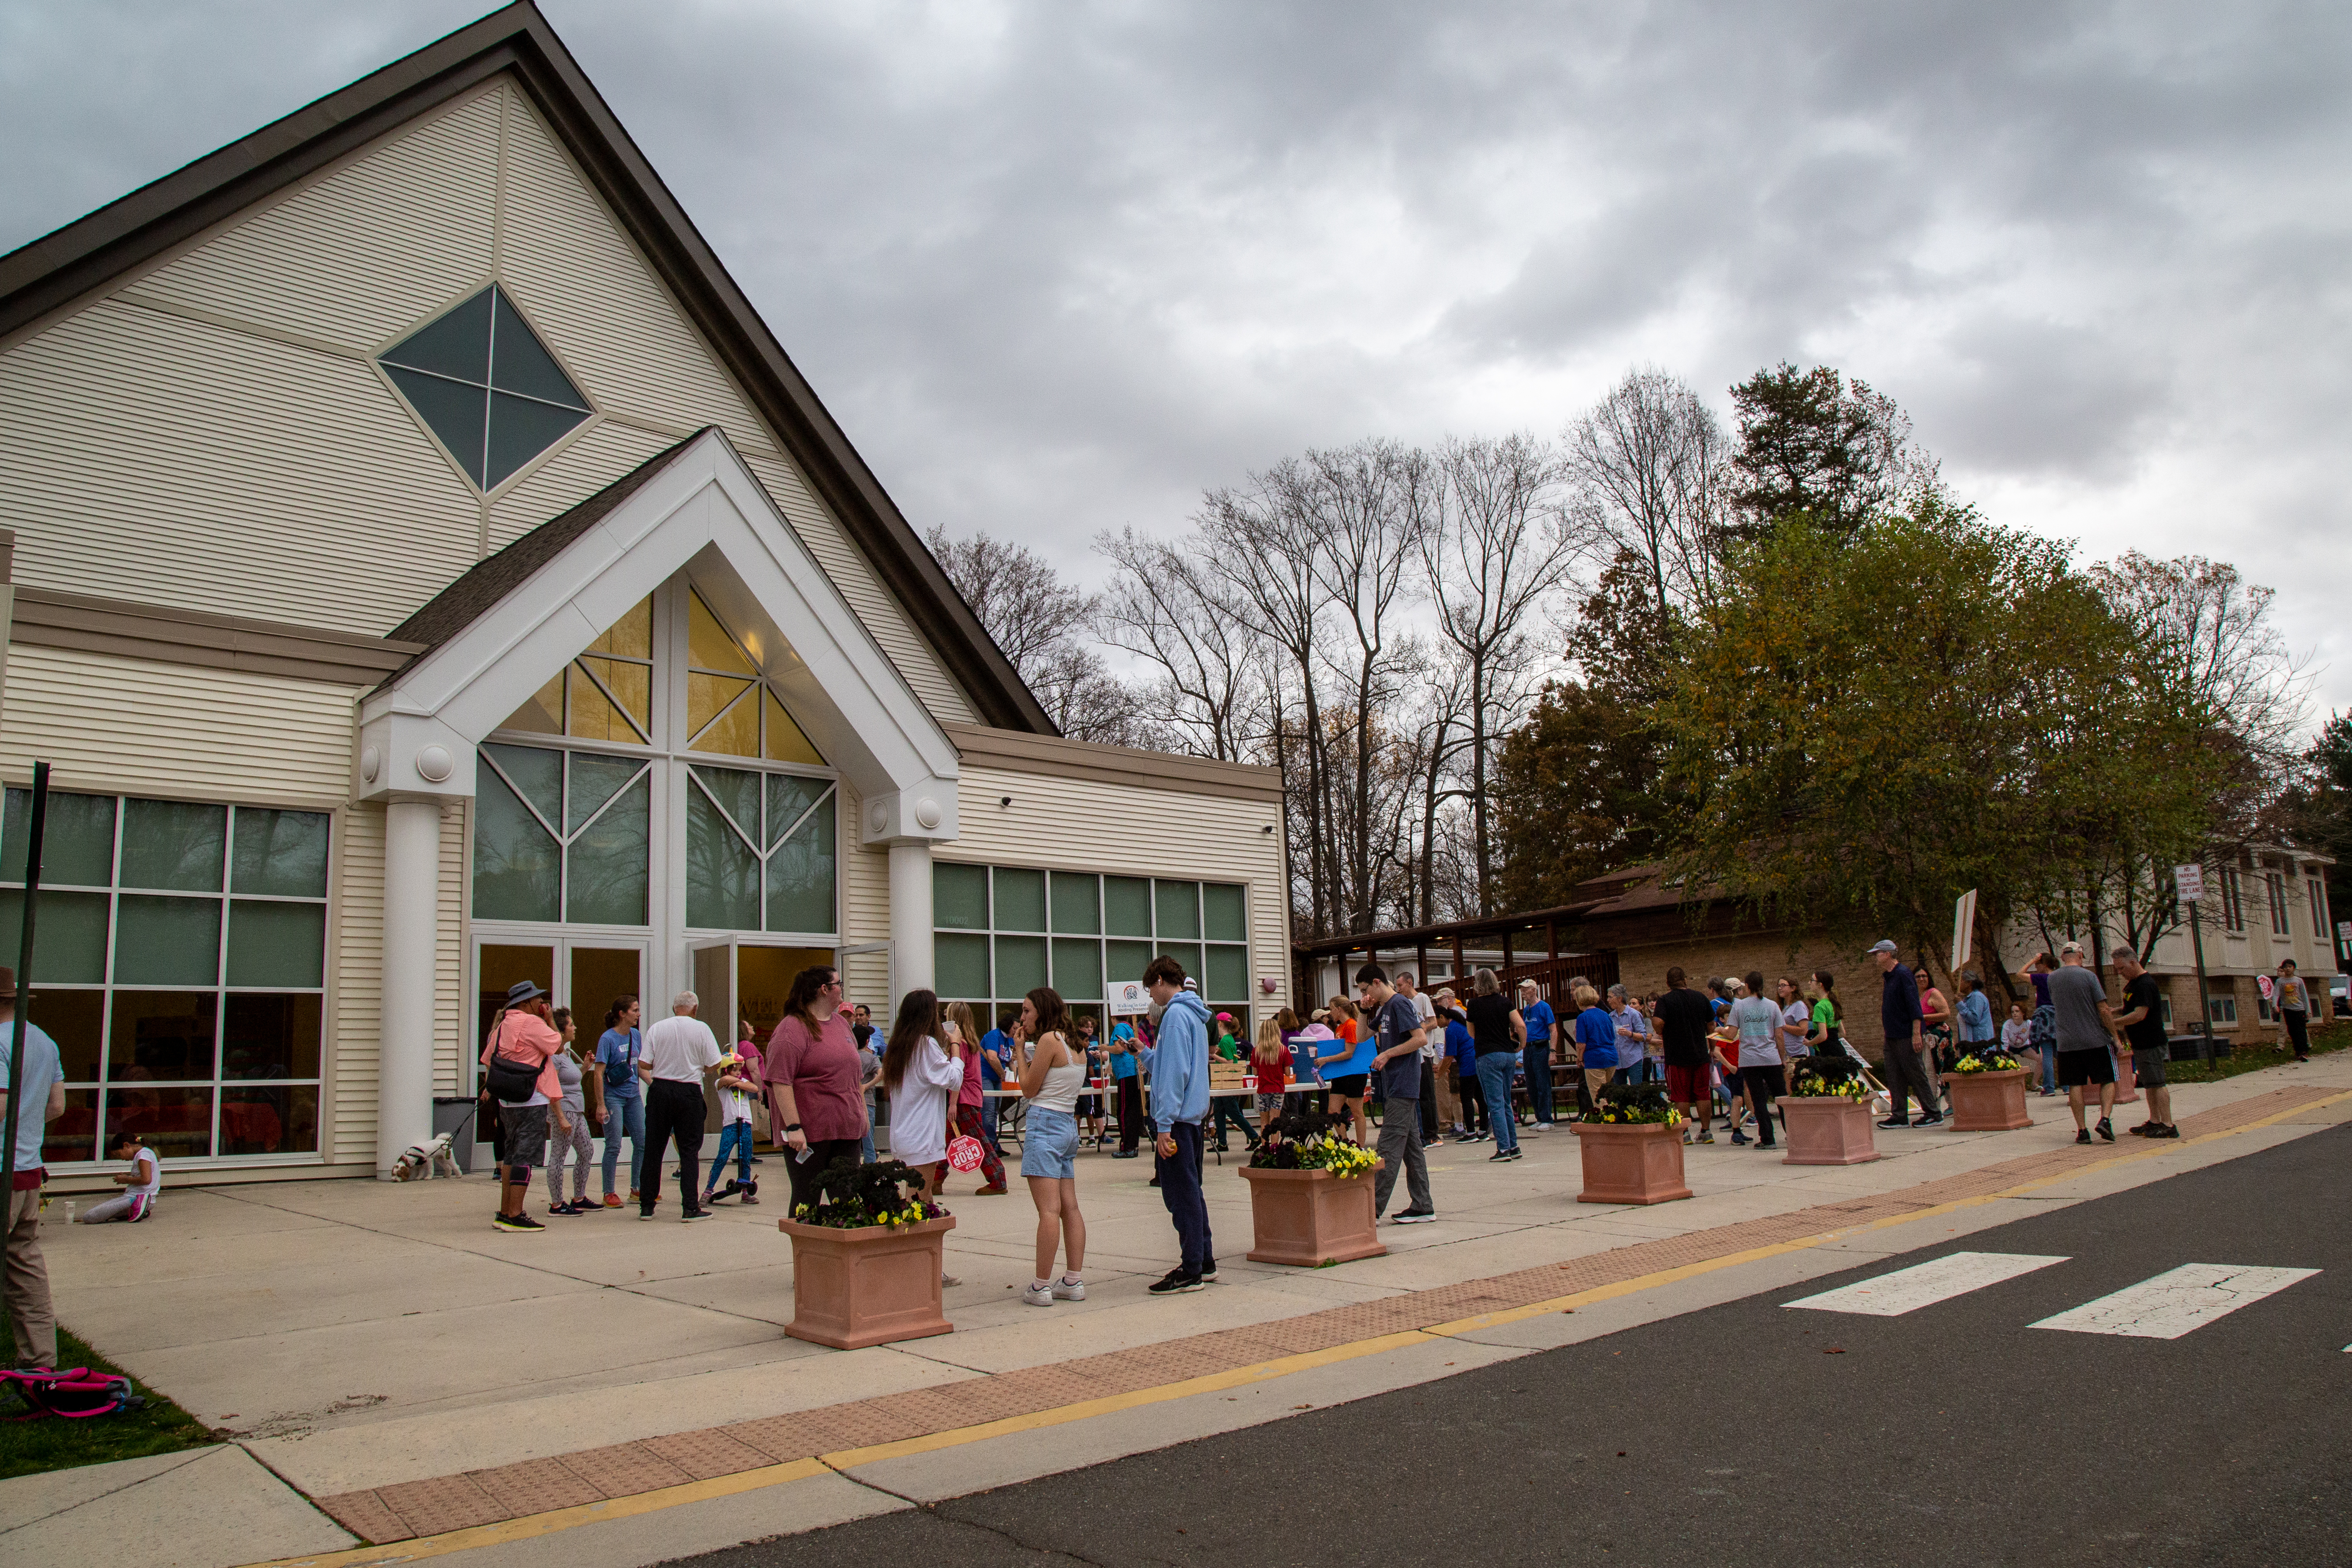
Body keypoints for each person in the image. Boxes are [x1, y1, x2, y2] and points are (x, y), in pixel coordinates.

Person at [764, 966, 869, 1218]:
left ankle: (842, 1255)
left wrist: (862, 1115)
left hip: (846, 1129)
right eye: (839, 983)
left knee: (846, 1199)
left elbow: (853, 1077)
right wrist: (793, 1127)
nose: (842, 987)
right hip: (810, 1133)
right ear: (825, 989)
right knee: (806, 1198)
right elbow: (781, 1081)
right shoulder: (792, 1029)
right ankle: (806, 1254)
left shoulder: (841, 1026)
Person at [0, 967, 65, 1368]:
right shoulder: (43, 1040)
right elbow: (56, 1106)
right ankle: (40, 1363)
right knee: (25, 1267)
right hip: (28, 1170)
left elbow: (1, 1104)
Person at [1016, 987, 1090, 1306]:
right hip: (1066, 1125)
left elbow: (1029, 1089)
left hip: (1044, 1123)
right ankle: (1072, 1280)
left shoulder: (1048, 1041)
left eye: (1027, 1010)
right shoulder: (1076, 1045)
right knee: (1069, 1207)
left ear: (1042, 1011)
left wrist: (1020, 1051)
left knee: (1048, 1211)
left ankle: (1040, 1285)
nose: (1023, 1017)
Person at [1145, 955, 1214, 1294]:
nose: (1151, 998)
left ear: (1161, 980)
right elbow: (1175, 1063)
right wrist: (1145, 1053)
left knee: (1180, 1196)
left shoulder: (1173, 1016)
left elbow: (1173, 1074)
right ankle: (1204, 1259)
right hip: (1193, 1119)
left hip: (1176, 1122)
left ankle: (1191, 1269)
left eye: (1150, 989)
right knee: (1192, 1191)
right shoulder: (1195, 1014)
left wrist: (1163, 1125)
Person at [482, 979, 568, 1233]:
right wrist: (550, 1018)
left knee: (510, 1155)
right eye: (538, 999)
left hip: (507, 1100)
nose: (542, 1003)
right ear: (526, 1002)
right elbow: (557, 1045)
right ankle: (516, 1215)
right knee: (525, 1157)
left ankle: (505, 1213)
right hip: (532, 1097)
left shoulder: (502, 1026)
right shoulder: (532, 1023)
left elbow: (488, 1059)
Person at [634, 990, 720, 1221]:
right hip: (689, 1091)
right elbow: (714, 1064)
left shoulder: (657, 1028)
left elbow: (644, 1063)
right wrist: (699, 1067)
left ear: (674, 1009)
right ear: (695, 1009)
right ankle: (690, 1207)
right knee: (689, 1151)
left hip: (660, 1089)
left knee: (653, 1150)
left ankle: (647, 1206)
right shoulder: (701, 1028)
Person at [1360, 964, 1436, 1223]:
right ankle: (1423, 1205)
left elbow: (1420, 1039)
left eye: (1364, 989)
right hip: (1396, 1084)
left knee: (1388, 1147)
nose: (1365, 994)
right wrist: (1363, 1009)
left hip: (1403, 1084)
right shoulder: (1383, 1009)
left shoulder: (1400, 1004)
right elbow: (1361, 1036)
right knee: (1412, 1148)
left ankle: (1371, 1209)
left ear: (1376, 983)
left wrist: (1388, 1053)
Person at [881, 990, 963, 1198]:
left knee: (924, 1200)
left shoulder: (899, 1046)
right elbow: (954, 1079)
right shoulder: (926, 1045)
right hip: (922, 1136)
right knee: (916, 1203)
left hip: (905, 1133)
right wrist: (955, 1044)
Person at [2049, 941, 2120, 1144]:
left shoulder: (2052, 979)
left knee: (2075, 1085)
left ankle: (2082, 1131)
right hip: (2095, 1039)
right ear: (2081, 956)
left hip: (2067, 1042)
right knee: (2107, 1080)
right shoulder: (2089, 976)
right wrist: (2116, 1037)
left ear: (2063, 957)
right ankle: (2105, 1119)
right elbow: (2104, 1010)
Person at [1870, 940, 1941, 1127]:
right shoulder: (1889, 976)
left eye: (1877, 953)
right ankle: (1899, 1115)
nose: (1875, 957)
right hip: (1892, 1034)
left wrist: (1916, 1033)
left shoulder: (1903, 974)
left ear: (1887, 954)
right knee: (1894, 1075)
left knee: (1915, 1072)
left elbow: (1913, 1005)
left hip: (1906, 1034)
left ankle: (1933, 1113)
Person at [2113, 948, 2179, 1139]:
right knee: (2149, 1084)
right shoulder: (2134, 984)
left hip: (2151, 1041)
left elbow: (2140, 1014)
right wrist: (2116, 1010)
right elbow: (2130, 1007)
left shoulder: (2145, 984)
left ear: (2133, 963)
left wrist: (2114, 1023)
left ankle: (2168, 1124)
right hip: (2140, 1042)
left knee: (2158, 1083)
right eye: (2118, 969)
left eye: (2122, 968)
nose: (2121, 973)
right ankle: (2155, 1121)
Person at [1467, 969, 1526, 1162]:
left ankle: (1503, 1149)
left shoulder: (1474, 1005)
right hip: (1508, 1053)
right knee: (1506, 1101)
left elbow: (1472, 1033)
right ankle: (1514, 1145)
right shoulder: (1505, 1001)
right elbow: (1521, 1025)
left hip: (1487, 1054)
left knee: (1495, 1103)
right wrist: (1522, 1045)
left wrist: (1486, 1038)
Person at [1654, 967, 1716, 1145]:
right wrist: (1712, 1048)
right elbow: (1710, 1024)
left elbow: (1658, 1024)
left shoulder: (1665, 1001)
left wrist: (1661, 1029)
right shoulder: (1701, 997)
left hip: (1677, 1057)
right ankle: (1706, 1131)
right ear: (1685, 980)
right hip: (1700, 1054)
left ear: (1668, 983)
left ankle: (1684, 1132)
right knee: (1703, 1094)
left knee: (1680, 1096)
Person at [952, 1006, 1009, 1196]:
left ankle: (998, 1178)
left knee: (979, 1140)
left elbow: (957, 1075)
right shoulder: (972, 1042)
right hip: (972, 1095)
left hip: (964, 1098)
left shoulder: (960, 1044)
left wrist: (952, 1103)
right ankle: (936, 1178)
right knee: (947, 1139)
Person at [595, 995, 645, 1209]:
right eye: (634, 1010)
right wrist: (601, 1104)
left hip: (634, 1096)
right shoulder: (607, 1039)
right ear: (622, 1014)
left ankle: (637, 1189)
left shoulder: (636, 1035)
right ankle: (609, 1192)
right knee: (614, 1145)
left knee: (643, 1142)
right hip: (613, 1097)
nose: (638, 1014)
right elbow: (598, 1074)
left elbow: (639, 1067)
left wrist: (655, 1084)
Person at [544, 1007, 595, 1215]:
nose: (575, 1028)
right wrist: (560, 1117)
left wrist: (584, 1067)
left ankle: (579, 1198)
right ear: (563, 1029)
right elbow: (552, 1086)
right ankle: (557, 1204)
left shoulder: (564, 1052)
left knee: (587, 1151)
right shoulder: (555, 1056)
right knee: (559, 1155)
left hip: (577, 1111)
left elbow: (571, 1081)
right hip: (565, 1111)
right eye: (571, 1025)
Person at [1727, 970, 1785, 1150]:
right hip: (1771, 1057)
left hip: (1749, 1059)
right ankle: (1793, 1132)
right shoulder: (1773, 1006)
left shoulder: (1739, 1006)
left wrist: (1721, 1031)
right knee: (1782, 1097)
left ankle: (1768, 1139)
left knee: (1759, 1100)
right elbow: (1779, 1036)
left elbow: (1731, 1033)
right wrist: (1781, 1059)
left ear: (1747, 985)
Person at [701, 1042, 760, 1206]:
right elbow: (724, 1080)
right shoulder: (720, 1084)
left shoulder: (741, 1082)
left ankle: (745, 1192)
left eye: (740, 1070)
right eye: (734, 1070)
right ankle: (708, 1190)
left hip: (746, 1124)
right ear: (726, 1070)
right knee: (722, 1156)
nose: (738, 1073)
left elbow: (755, 1088)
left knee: (746, 1158)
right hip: (731, 1125)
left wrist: (740, 1082)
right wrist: (738, 1082)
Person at [1316, 996, 1375, 1145]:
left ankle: (1360, 1145)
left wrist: (1326, 1059)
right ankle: (1344, 1141)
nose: (1330, 1013)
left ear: (1339, 1009)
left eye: (1331, 1009)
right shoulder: (1340, 1027)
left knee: (1357, 1111)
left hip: (1354, 1074)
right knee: (1333, 1110)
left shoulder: (1351, 1025)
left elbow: (1349, 1053)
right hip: (1340, 1073)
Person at [77, 1131, 160, 1224]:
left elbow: (146, 1180)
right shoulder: (146, 1153)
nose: (121, 1158)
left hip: (138, 1197)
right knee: (104, 1212)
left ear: (127, 1146)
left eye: (119, 1154)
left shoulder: (143, 1155)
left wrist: (126, 1179)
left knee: (89, 1217)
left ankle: (139, 1204)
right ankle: (137, 1211)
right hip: (140, 1197)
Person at [1209, 1013, 1257, 1152]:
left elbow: (1230, 1062)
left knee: (1234, 1112)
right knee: (1218, 1111)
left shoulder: (1225, 1041)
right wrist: (1217, 1056)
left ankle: (1255, 1137)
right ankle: (1222, 1143)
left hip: (1228, 1080)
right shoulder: (1228, 1039)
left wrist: (1214, 1055)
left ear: (1219, 1024)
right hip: (1223, 1080)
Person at [1516, 980, 1558, 1126]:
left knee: (1542, 1083)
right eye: (1522, 990)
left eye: (1526, 990)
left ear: (1534, 990)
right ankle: (1539, 1117)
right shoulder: (1527, 1010)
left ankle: (1547, 1119)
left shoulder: (1544, 1007)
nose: (1523, 993)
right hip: (1528, 1048)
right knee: (1532, 1085)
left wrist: (1552, 1051)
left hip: (1541, 1047)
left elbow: (1553, 1030)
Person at [1573, 984, 1616, 1107]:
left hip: (1595, 1058)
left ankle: (1605, 1121)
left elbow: (1581, 1044)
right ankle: (1615, 1116)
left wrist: (1580, 1058)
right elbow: (1612, 1036)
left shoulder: (1583, 1017)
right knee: (1608, 1092)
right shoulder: (1605, 1015)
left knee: (1599, 1095)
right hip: (1611, 1056)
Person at [1109, 1018, 1146, 1158]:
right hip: (1133, 1071)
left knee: (1124, 1111)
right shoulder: (1131, 1028)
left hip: (1126, 1072)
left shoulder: (1119, 1027)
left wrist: (1105, 1048)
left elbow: (1119, 1049)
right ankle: (1133, 1146)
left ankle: (1128, 1147)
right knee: (1133, 1110)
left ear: (1114, 1018)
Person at [2028, 952, 2059, 1095]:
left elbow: (2019, 974)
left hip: (2044, 1017)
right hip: (2059, 1015)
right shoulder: (2059, 977)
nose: (2035, 966)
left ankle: (2049, 1087)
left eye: (2037, 964)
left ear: (2044, 965)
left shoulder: (2042, 978)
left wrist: (2031, 960)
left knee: (2046, 1054)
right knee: (2061, 1053)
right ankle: (2067, 1087)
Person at [1251, 1018, 1290, 1129]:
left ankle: (1265, 1146)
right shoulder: (1283, 1050)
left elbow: (1255, 1073)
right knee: (1275, 1121)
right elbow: (1288, 1073)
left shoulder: (1257, 1051)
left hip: (1263, 1088)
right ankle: (1275, 1146)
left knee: (1264, 1121)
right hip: (1278, 1088)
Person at [1956, 971, 1997, 1079]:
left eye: (1961, 980)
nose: (1958, 983)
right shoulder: (1969, 998)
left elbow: (1974, 1019)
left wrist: (1960, 1005)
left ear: (1969, 983)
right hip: (1972, 1042)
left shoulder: (1977, 997)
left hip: (1980, 1041)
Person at [2277, 959, 2312, 1063]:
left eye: (2290, 967)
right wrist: (2275, 1005)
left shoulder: (2299, 981)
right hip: (2288, 1010)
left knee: (2301, 1031)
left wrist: (2308, 1010)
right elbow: (2276, 995)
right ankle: (2298, 1052)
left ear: (2294, 968)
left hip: (2300, 1009)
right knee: (2293, 1032)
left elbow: (2305, 996)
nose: (2287, 969)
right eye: (2285, 967)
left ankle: (2304, 1052)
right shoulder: (2280, 982)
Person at [1776, 978, 1811, 1063]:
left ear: (1793, 988)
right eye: (1779, 986)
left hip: (1797, 1054)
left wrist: (1783, 1026)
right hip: (1786, 1054)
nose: (1780, 988)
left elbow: (1803, 1030)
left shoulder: (1799, 1005)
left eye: (1783, 985)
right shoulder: (1784, 1007)